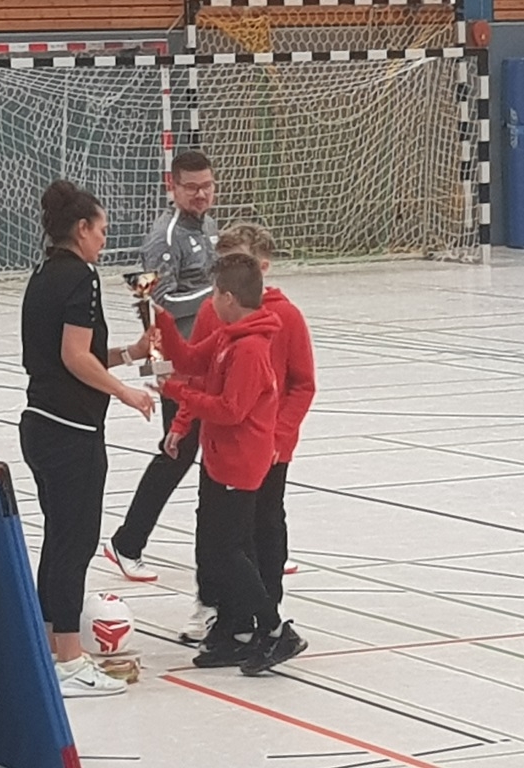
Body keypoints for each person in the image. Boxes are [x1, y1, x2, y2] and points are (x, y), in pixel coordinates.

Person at [19, 179, 154, 698]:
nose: (103, 240)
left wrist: (130, 354)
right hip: (71, 431)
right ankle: (71, 662)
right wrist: (126, 392)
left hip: (40, 423)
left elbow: (71, 356)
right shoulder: (83, 276)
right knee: (74, 545)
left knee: (59, 539)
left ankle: (48, 650)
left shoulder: (43, 274)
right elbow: (75, 358)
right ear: (81, 229)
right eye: (101, 231)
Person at [153, 252, 308, 675]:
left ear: (228, 298)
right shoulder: (228, 337)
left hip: (241, 461)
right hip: (222, 458)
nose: (210, 302)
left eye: (214, 294)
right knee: (218, 549)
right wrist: (161, 319)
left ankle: (273, 628)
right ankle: (236, 630)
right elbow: (189, 360)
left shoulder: (251, 348)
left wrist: (178, 395)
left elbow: (230, 409)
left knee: (230, 550)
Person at [105, 151, 218, 585]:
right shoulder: (163, 238)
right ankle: (127, 543)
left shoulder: (208, 226)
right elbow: (154, 302)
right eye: (191, 187)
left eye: (207, 186)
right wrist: (220, 293)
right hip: (173, 360)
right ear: (173, 187)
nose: (201, 194)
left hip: (205, 357)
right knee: (178, 451)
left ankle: (240, 546)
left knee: (222, 447)